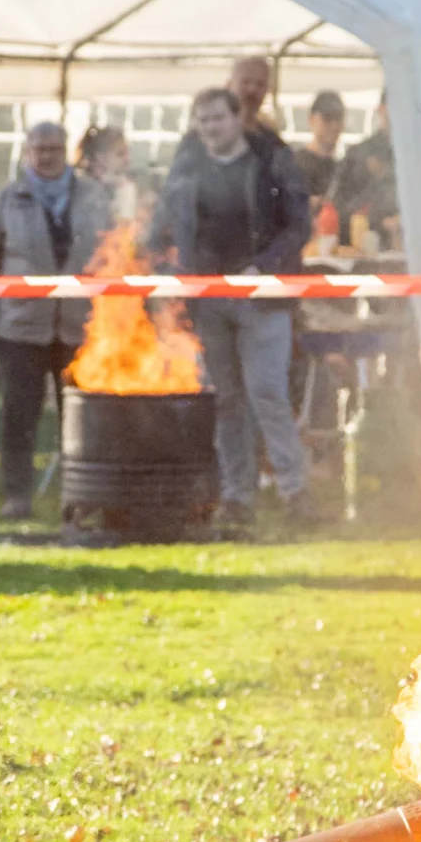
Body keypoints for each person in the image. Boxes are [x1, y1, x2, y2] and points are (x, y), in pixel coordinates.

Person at [150, 86, 314, 524]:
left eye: (217, 119)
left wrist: (263, 267)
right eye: (202, 120)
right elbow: (168, 220)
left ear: (238, 118)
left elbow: (299, 226)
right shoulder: (188, 164)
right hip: (207, 299)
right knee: (227, 400)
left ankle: (295, 493)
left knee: (267, 394)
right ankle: (237, 496)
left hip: (262, 296)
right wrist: (161, 260)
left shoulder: (270, 162)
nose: (209, 128)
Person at [0, 119, 113, 519]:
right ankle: (18, 496)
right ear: (27, 152)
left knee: (80, 416)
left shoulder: (93, 195)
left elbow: (111, 251)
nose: (47, 156)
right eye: (39, 149)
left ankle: (81, 496)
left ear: (65, 150)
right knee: (19, 414)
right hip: (20, 325)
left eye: (54, 148)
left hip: (77, 325)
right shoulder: (7, 198)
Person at [294, 91, 351, 203]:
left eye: (338, 118)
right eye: (327, 118)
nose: (334, 126)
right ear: (311, 119)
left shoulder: (345, 168)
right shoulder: (294, 164)